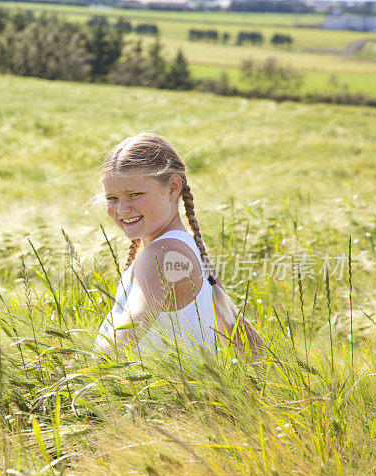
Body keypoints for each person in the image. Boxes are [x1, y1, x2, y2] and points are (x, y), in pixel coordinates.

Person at [93, 132, 266, 361]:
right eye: (112, 198)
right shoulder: (188, 247)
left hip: (152, 394)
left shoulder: (161, 255)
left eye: (135, 194)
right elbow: (236, 329)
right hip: (183, 393)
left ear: (173, 187)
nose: (122, 208)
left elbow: (128, 332)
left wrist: (72, 375)